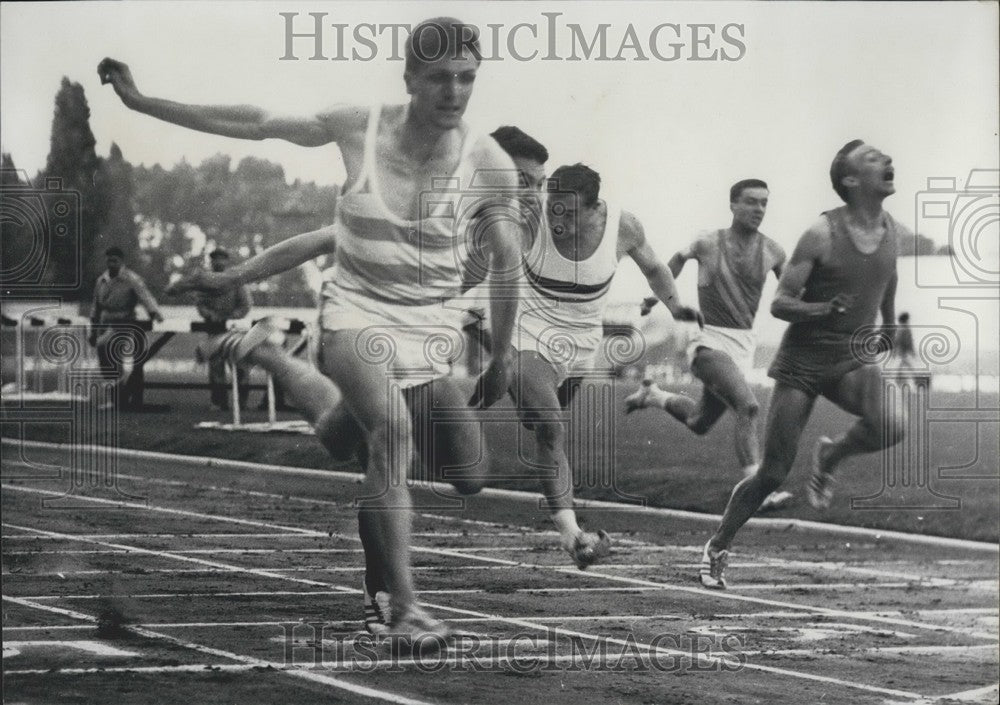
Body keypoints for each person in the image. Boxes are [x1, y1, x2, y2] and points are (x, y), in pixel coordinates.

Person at [101, 17, 522, 646]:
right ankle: (404, 608)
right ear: (409, 77)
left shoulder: (487, 163)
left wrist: (503, 355)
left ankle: (272, 357)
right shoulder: (358, 128)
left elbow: (508, 262)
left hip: (426, 332)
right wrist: (142, 102)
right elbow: (257, 122)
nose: (454, 92)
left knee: (443, 467)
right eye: (440, 78)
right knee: (391, 434)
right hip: (353, 312)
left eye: (467, 78)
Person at [697, 140, 906, 589]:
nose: (887, 160)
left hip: (850, 357)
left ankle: (830, 455)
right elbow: (780, 303)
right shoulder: (821, 234)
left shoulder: (892, 230)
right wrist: (822, 309)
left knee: (892, 423)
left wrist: (889, 324)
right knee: (773, 472)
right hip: (803, 363)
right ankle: (718, 544)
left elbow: (888, 274)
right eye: (872, 159)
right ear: (851, 180)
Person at [510, 161, 703, 566]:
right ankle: (573, 536)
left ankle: (525, 399)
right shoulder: (530, 217)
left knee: (540, 425)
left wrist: (676, 308)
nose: (558, 221)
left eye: (569, 213)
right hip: (529, 335)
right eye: (553, 209)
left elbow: (655, 269)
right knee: (550, 426)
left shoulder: (623, 227)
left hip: (582, 346)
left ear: (595, 208)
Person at [625, 179, 792, 511]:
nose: (759, 209)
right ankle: (756, 492)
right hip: (708, 341)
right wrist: (655, 298)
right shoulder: (707, 242)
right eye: (751, 201)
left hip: (743, 346)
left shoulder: (773, 251)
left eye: (764, 203)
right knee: (748, 407)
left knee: (699, 422)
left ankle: (653, 396)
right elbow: (673, 262)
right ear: (733, 204)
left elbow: (791, 290)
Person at [89, 246, 164, 409]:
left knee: (107, 348)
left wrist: (154, 312)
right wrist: (92, 331)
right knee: (107, 361)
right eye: (109, 260)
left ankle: (122, 395)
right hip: (104, 322)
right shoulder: (101, 280)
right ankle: (116, 399)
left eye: (115, 261)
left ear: (121, 261)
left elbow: (145, 296)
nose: (111, 264)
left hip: (123, 321)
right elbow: (95, 307)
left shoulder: (131, 278)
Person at [196, 248, 251, 411]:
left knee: (240, 367)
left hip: (234, 330)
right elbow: (200, 304)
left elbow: (246, 305)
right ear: (211, 261)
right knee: (216, 367)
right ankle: (219, 402)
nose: (218, 262)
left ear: (227, 261)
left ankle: (241, 403)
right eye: (215, 259)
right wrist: (210, 314)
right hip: (214, 330)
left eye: (222, 259)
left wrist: (232, 317)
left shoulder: (236, 280)